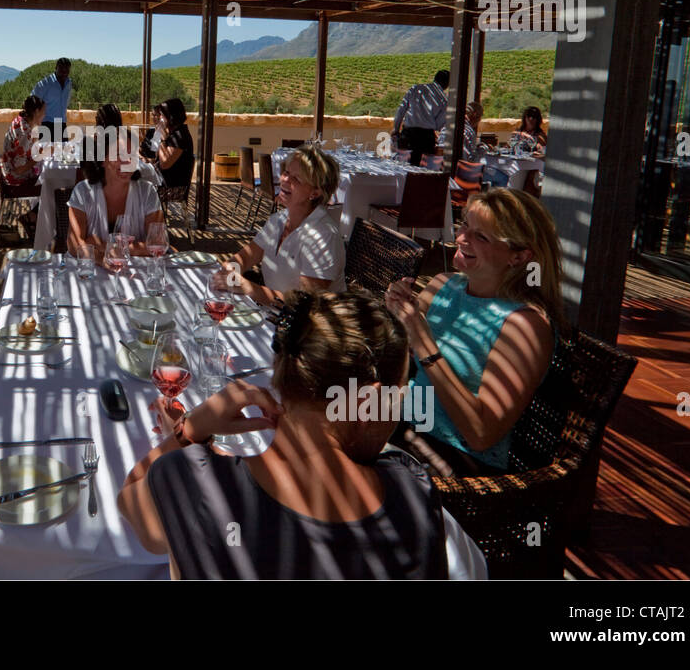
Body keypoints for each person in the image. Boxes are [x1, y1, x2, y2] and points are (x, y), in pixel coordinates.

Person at [117, 290, 487, 579]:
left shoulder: (190, 483)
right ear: (369, 399)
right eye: (403, 388)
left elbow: (129, 503)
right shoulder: (414, 494)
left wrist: (191, 430)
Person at [384, 188, 562, 477]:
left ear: (518, 257)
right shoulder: (442, 285)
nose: (462, 238)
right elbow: (401, 363)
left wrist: (424, 342)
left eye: (482, 237)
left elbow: (480, 434)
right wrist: (395, 319)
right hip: (403, 425)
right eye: (465, 224)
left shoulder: (524, 326)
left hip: (454, 458)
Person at [216, 145, 345, 303]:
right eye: (286, 172)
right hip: (273, 313)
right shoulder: (278, 220)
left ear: (315, 193)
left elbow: (305, 303)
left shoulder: (323, 235)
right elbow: (245, 258)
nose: (284, 180)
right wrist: (228, 270)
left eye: (296, 179)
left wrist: (246, 286)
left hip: (306, 324)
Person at [67, 126, 161, 261]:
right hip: (91, 275)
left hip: (134, 276)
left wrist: (103, 246)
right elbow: (74, 244)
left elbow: (157, 243)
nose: (128, 161)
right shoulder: (83, 192)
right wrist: (103, 260)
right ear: (103, 160)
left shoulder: (147, 192)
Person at [393, 70, 450, 166]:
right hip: (426, 138)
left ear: (435, 79)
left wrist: (396, 129)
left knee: (403, 166)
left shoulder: (415, 88)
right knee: (422, 169)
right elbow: (438, 125)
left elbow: (401, 111)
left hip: (408, 135)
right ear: (447, 84)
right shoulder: (444, 99)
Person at [140, 98, 194, 190]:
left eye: (162, 115)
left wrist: (163, 138)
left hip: (170, 187)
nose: (159, 118)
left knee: (132, 180)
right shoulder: (173, 133)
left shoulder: (180, 136)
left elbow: (164, 164)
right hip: (162, 179)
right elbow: (157, 158)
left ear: (171, 115)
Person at [1, 95, 46, 186]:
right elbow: (20, 169)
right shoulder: (24, 133)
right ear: (37, 112)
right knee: (49, 180)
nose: (44, 115)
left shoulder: (21, 121)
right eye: (43, 112)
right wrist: (39, 157)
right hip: (15, 177)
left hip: (9, 170)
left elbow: (31, 148)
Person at [32, 57, 73, 139]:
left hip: (61, 123)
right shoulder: (45, 83)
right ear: (56, 68)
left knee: (62, 151)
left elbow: (66, 101)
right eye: (61, 69)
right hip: (46, 123)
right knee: (46, 151)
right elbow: (32, 100)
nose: (64, 72)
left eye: (66, 70)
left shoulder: (69, 83)